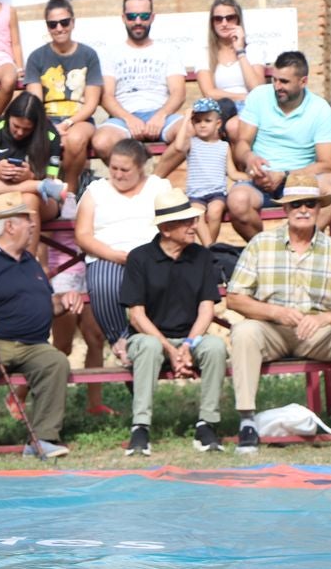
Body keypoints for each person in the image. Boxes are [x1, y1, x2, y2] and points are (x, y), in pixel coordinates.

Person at [225, 173, 331, 454]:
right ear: (285, 209)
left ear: (319, 209)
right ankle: (247, 423)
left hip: (319, 332)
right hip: (272, 329)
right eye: (296, 204)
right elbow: (235, 298)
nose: (303, 210)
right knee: (244, 331)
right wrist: (274, 312)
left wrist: (325, 318)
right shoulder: (261, 244)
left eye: (309, 203)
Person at [0, 192, 76, 462]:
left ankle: (42, 438)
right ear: (9, 226)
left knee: (55, 362)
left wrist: (62, 302)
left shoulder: (29, 261)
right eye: (26, 219)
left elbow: (43, 303)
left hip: (30, 345)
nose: (33, 225)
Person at [118, 189, 227, 456]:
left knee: (215, 347)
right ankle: (140, 427)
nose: (194, 226)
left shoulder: (201, 256)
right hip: (150, 339)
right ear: (166, 228)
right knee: (148, 346)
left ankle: (207, 424)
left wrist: (188, 345)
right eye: (187, 221)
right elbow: (137, 315)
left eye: (193, 219)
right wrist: (169, 348)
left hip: (190, 338)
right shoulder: (139, 258)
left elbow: (206, 309)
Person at [227, 50, 331, 240]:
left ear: (303, 82)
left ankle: (300, 242)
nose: (277, 86)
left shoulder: (319, 109)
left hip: (300, 181)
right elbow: (242, 143)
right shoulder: (259, 96)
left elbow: (328, 164)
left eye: (284, 82)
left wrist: (284, 175)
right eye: (274, 80)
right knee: (236, 201)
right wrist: (250, 158)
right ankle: (267, 249)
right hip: (260, 179)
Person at [74, 139, 171, 365]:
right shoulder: (96, 191)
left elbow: (173, 225)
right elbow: (83, 235)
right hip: (108, 254)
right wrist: (114, 255)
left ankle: (159, 341)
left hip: (152, 256)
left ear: (140, 168)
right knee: (104, 283)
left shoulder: (158, 187)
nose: (117, 174)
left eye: (124, 170)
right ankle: (121, 341)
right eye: (113, 168)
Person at [0, 92, 66, 255]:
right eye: (16, 126)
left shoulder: (50, 136)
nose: (20, 132)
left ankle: (27, 262)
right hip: (1, 195)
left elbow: (52, 181)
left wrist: (32, 175)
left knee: (29, 199)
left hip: (42, 201)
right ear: (8, 118)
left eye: (27, 129)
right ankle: (34, 186)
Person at [91, 0, 187, 162]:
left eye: (143, 16)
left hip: (162, 116)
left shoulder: (168, 50)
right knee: (101, 142)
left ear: (152, 17)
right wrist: (129, 119)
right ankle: (134, 179)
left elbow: (178, 92)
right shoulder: (111, 53)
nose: (137, 21)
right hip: (123, 117)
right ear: (123, 18)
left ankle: (156, 179)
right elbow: (106, 96)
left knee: (191, 132)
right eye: (131, 16)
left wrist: (160, 115)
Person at [24, 0, 101, 194]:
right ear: (47, 27)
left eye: (64, 22)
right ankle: (50, 191)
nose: (59, 28)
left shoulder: (88, 55)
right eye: (53, 24)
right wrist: (49, 126)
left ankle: (70, 191)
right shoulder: (36, 57)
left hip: (79, 119)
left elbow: (91, 103)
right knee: (46, 140)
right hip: (46, 120)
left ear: (73, 23)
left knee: (74, 139)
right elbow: (34, 102)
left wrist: (67, 124)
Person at [158, 98, 234, 245]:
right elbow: (179, 146)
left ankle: (209, 247)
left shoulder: (224, 146)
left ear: (218, 123)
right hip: (195, 195)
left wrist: (247, 176)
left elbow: (232, 172)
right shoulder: (191, 143)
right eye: (197, 121)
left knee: (215, 211)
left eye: (207, 120)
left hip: (216, 193)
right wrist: (186, 118)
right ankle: (209, 248)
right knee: (196, 212)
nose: (202, 125)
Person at [195, 0, 265, 140]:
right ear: (212, 23)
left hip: (250, 108)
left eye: (230, 17)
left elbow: (257, 88)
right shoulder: (205, 54)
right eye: (218, 19)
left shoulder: (252, 50)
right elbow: (209, 92)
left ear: (238, 20)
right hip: (221, 109)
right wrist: (241, 97)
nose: (224, 23)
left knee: (234, 126)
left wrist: (240, 51)